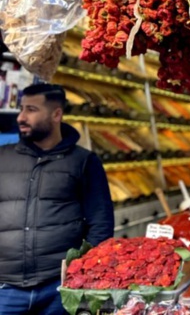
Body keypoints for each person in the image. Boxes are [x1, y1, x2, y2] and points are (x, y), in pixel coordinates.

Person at [0, 84, 114, 315]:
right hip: (5, 288)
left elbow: (100, 224)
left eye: (31, 109)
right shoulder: (3, 158)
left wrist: (83, 276)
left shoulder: (84, 162)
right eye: (21, 108)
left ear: (56, 114)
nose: (21, 117)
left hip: (59, 288)